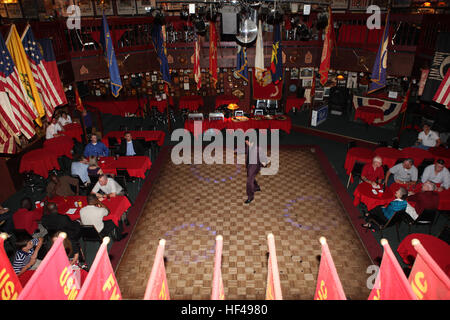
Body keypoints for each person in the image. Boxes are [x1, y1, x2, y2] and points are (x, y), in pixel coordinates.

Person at [244, 136, 269, 204]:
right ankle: (256, 187)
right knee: (250, 177)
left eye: (246, 142)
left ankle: (250, 196)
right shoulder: (249, 146)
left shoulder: (258, 149)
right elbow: (246, 150)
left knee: (249, 181)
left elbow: (264, 157)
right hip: (249, 166)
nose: (246, 143)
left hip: (255, 167)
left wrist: (265, 163)